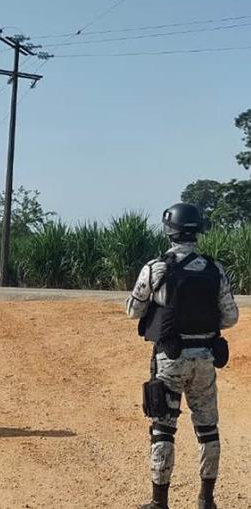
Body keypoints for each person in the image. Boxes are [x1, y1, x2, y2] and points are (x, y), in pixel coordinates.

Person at [126, 203, 239, 509]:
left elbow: (132, 310)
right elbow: (230, 317)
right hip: (204, 357)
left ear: (169, 231)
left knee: (163, 428)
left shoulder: (155, 268)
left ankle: (159, 502)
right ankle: (206, 500)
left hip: (170, 357)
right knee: (207, 428)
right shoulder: (214, 270)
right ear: (197, 231)